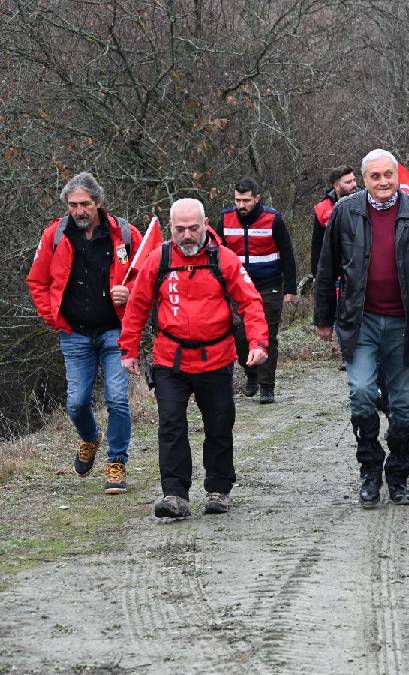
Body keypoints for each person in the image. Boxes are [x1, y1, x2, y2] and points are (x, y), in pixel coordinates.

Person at [119, 198, 268, 518]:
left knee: (219, 423)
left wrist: (258, 342)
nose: (187, 235)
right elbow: (137, 306)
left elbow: (251, 302)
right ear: (171, 228)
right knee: (171, 424)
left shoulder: (224, 260)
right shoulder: (158, 260)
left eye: (193, 228)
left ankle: (218, 489)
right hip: (170, 360)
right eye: (180, 229)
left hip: (216, 359)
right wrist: (128, 349)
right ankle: (174, 494)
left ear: (204, 225)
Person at [314, 149, 409, 509]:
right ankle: (370, 470)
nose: (384, 182)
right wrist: (323, 318)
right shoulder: (346, 212)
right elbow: (327, 268)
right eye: (375, 176)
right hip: (361, 320)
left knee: (404, 404)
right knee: (360, 392)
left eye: (388, 174)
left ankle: (399, 475)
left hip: (407, 321)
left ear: (396, 175)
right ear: (364, 179)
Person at [27, 172, 142, 494]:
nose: (79, 210)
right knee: (77, 404)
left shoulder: (124, 233)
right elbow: (37, 281)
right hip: (74, 333)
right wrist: (52, 317)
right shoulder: (55, 234)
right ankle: (91, 437)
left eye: (85, 204)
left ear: (98, 203)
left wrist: (130, 293)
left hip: (115, 332)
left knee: (118, 400)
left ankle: (116, 462)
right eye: (73, 205)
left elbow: (147, 274)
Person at [223, 177, 297, 405]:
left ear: (257, 199)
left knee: (267, 335)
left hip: (269, 285)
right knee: (239, 335)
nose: (241, 205)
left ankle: (267, 386)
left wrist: (291, 288)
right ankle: (251, 373)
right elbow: (217, 251)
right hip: (237, 287)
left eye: (246, 200)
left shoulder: (273, 220)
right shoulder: (225, 219)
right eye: (237, 200)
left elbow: (287, 254)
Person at [311, 166, 358, 277]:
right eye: (348, 182)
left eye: (354, 180)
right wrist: (316, 273)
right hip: (335, 269)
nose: (354, 185)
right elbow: (317, 242)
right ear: (336, 186)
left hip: (361, 265)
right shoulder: (323, 207)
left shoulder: (367, 200)